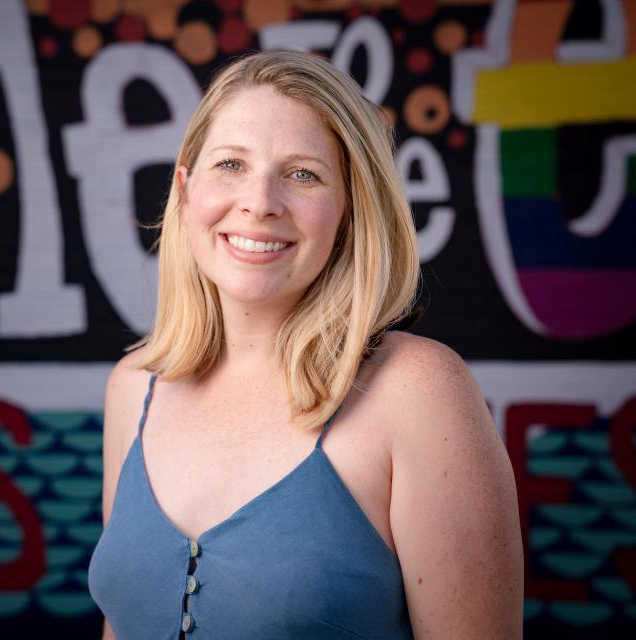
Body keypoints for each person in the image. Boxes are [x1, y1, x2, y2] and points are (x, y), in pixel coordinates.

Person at [87, 50, 522, 639]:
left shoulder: (418, 392)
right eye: (231, 164)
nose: (260, 201)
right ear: (185, 191)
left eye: (303, 174)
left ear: (349, 210)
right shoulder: (134, 385)